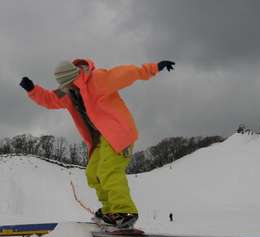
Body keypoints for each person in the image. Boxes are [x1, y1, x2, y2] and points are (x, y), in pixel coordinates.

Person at [20, 58, 175, 228]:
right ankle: (110, 210)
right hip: (100, 139)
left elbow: (126, 74)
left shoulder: (97, 79)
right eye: (65, 86)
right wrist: (32, 90)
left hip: (118, 134)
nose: (67, 89)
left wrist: (153, 68)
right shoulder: (69, 93)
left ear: (73, 77)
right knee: (93, 173)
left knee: (108, 171)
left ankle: (125, 211)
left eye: (68, 84)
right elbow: (50, 99)